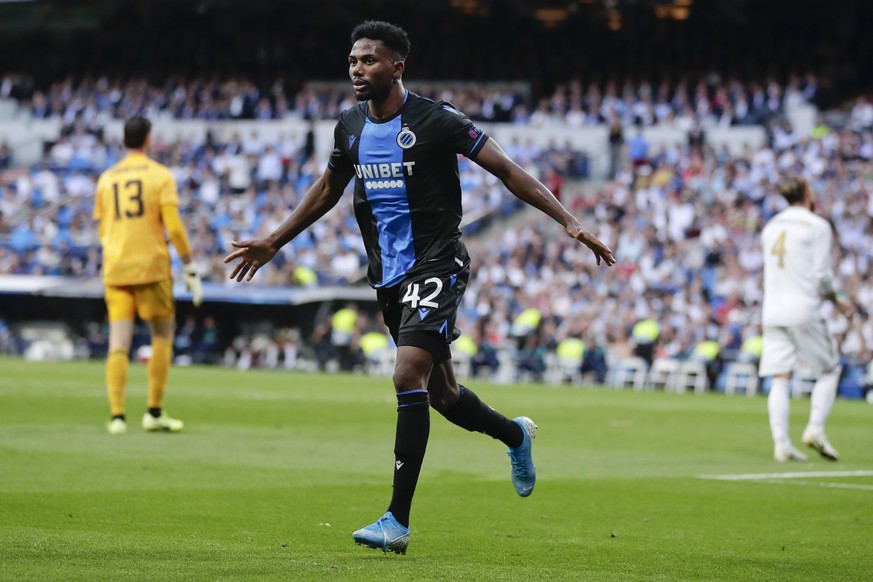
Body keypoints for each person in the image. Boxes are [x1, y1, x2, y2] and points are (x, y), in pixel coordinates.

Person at [224, 20, 615, 554]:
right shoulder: (350, 126)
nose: (357, 70)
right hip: (388, 275)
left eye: (369, 61)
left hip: (439, 262)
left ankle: (396, 521)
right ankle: (515, 435)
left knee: (406, 371)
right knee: (443, 395)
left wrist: (568, 221)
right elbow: (327, 189)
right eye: (353, 61)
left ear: (396, 66)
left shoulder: (437, 120)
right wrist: (274, 241)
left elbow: (507, 169)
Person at [93, 116, 203, 435]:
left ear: (124, 140)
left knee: (118, 342)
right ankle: (153, 411)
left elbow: (102, 229)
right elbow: (174, 226)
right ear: (148, 139)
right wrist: (189, 265)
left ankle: (116, 417)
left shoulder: (106, 178)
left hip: (115, 268)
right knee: (161, 336)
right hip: (151, 267)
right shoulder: (160, 176)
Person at [759, 176, 855, 462]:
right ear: (807, 193)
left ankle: (781, 444)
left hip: (772, 310)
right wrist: (838, 301)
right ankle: (815, 428)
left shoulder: (771, 225)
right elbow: (822, 275)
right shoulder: (817, 225)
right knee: (829, 369)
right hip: (802, 309)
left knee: (780, 376)